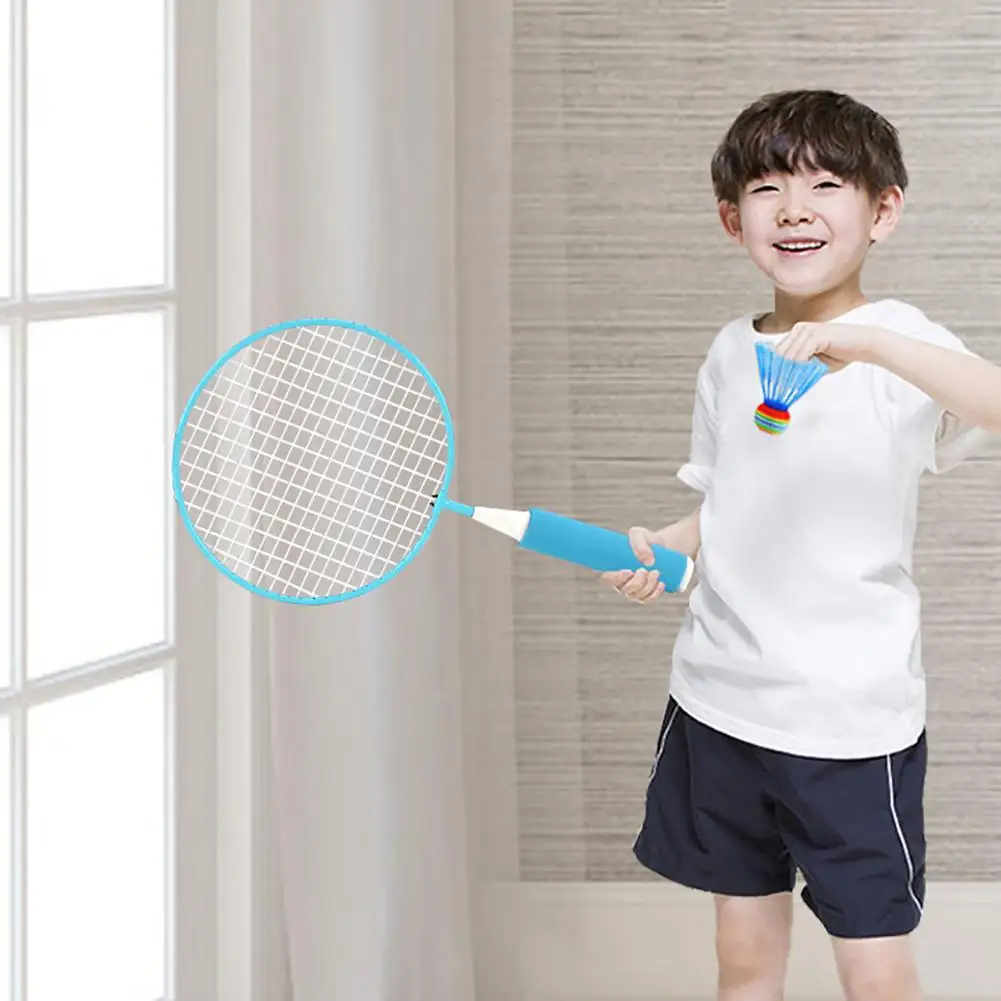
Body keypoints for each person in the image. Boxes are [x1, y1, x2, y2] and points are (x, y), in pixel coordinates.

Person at [603, 89, 1001, 1001]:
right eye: (766, 188)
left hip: (847, 719)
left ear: (882, 211)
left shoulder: (901, 344)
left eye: (825, 185)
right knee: (744, 958)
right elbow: (726, 502)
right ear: (730, 218)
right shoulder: (727, 353)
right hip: (718, 702)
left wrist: (867, 346)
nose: (793, 208)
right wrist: (667, 547)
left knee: (873, 965)